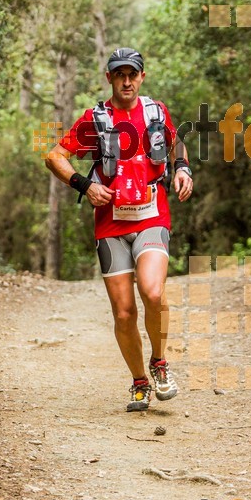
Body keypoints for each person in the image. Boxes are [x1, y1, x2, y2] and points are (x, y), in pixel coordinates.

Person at [45, 47, 193, 412]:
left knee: (153, 292)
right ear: (109, 77)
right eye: (119, 74)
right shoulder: (95, 120)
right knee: (124, 311)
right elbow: (54, 156)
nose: (126, 80)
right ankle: (139, 382)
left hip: (151, 216)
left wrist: (184, 169)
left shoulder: (155, 112)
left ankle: (160, 363)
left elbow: (176, 143)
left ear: (142, 77)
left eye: (133, 74)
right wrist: (84, 185)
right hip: (110, 224)